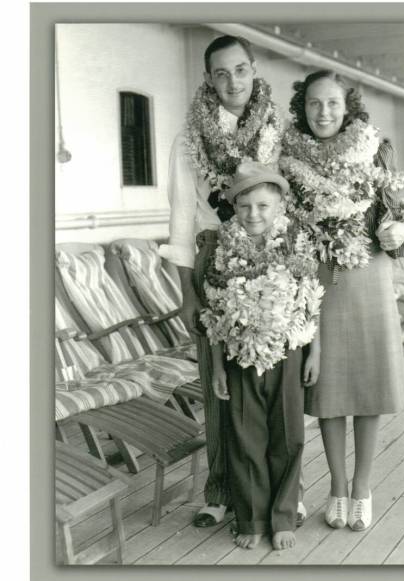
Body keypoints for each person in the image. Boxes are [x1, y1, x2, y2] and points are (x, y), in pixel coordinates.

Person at [159, 35, 307, 528]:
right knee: (221, 382)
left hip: (273, 255)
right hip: (212, 255)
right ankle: (222, 489)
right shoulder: (189, 138)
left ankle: (287, 493)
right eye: (221, 73)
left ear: (254, 70)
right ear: (209, 78)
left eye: (240, 70)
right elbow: (181, 219)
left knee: (277, 381)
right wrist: (186, 294)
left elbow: (293, 200)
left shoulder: (278, 128)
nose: (232, 81)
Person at [280, 70, 404, 532]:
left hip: (370, 277)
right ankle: (336, 487)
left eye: (333, 104)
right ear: (303, 107)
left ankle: (362, 487)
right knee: (331, 390)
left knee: (367, 388)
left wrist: (400, 232)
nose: (323, 113)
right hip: (319, 283)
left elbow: (403, 225)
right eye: (315, 104)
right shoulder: (289, 160)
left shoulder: (375, 151)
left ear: (348, 107)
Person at [199, 162, 323, 549]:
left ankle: (283, 516)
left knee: (287, 436)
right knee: (243, 434)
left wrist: (313, 353)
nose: (253, 215)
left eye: (263, 206)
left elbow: (311, 306)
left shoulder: (297, 247)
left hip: (288, 352)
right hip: (238, 356)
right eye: (244, 206)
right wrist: (218, 366)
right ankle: (251, 518)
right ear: (233, 207)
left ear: (280, 206)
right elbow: (216, 314)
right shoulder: (220, 250)